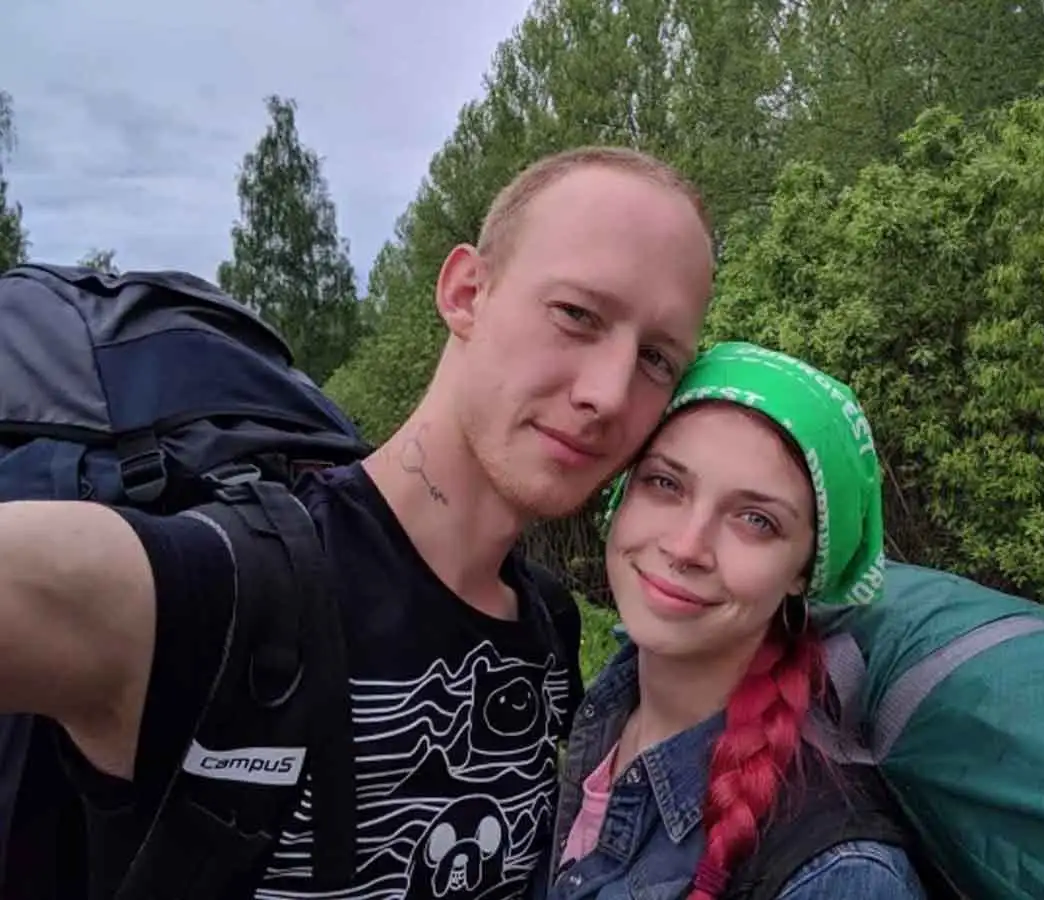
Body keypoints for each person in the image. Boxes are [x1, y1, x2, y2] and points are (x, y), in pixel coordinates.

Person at [0, 146, 715, 899]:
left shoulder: (548, 630)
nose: (609, 393)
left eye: (656, 359)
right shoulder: (227, 587)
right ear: (466, 293)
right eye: (576, 315)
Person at [541, 341, 927, 899]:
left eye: (756, 520)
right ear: (623, 493)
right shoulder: (611, 709)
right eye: (665, 483)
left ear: (804, 571)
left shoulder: (841, 877)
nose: (686, 546)